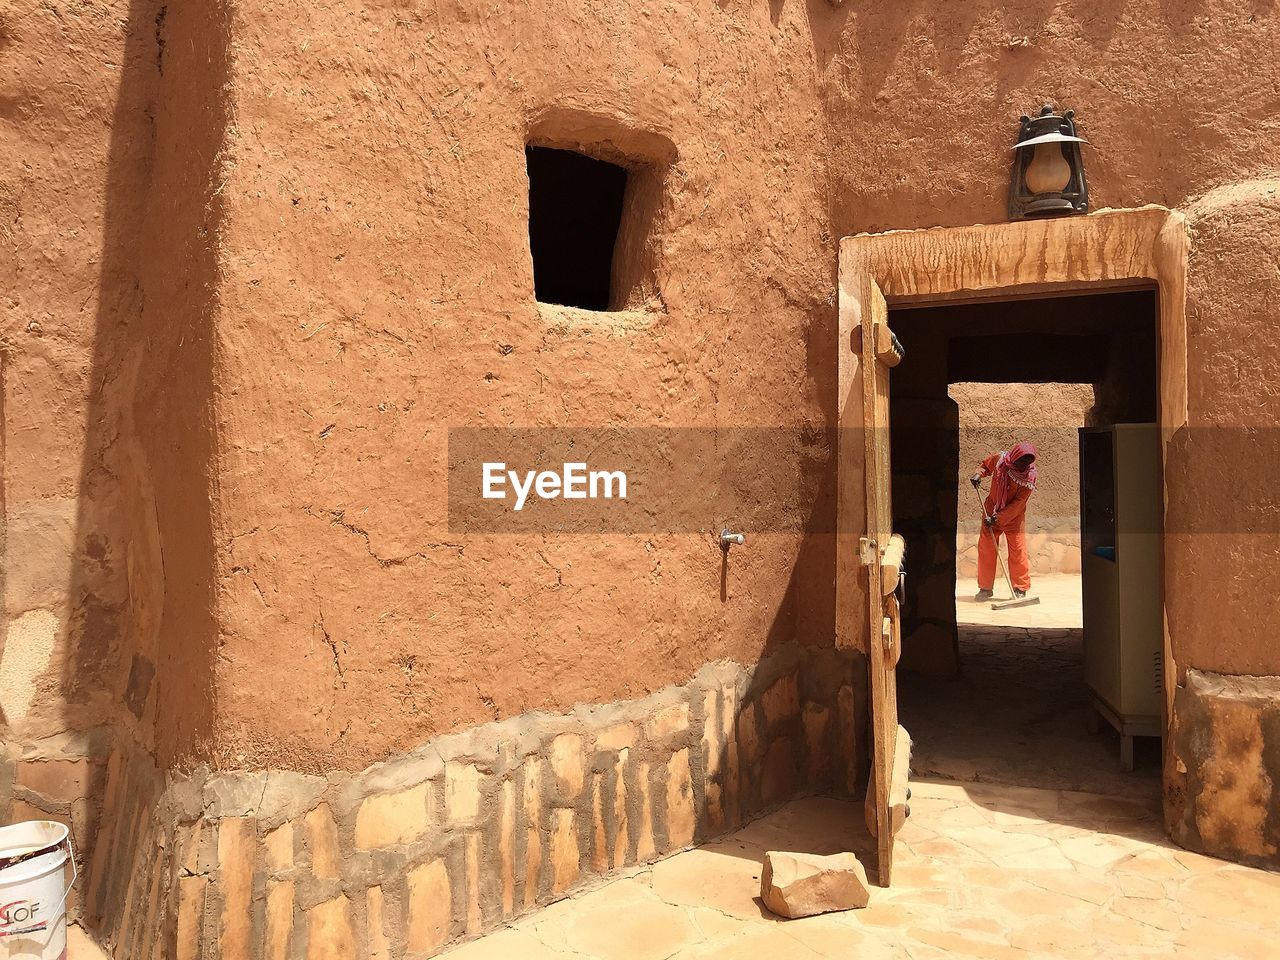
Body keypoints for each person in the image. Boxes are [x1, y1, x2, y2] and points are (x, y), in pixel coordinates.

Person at [969, 441, 1038, 601]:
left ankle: (1020, 588)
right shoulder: (1000, 459)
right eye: (1021, 461)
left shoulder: (1029, 478)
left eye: (1027, 462)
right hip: (990, 509)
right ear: (1014, 456)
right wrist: (978, 474)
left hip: (1014, 517)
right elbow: (986, 466)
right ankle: (985, 588)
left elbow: (1018, 503)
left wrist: (997, 518)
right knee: (987, 548)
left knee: (1018, 550)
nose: (1024, 465)